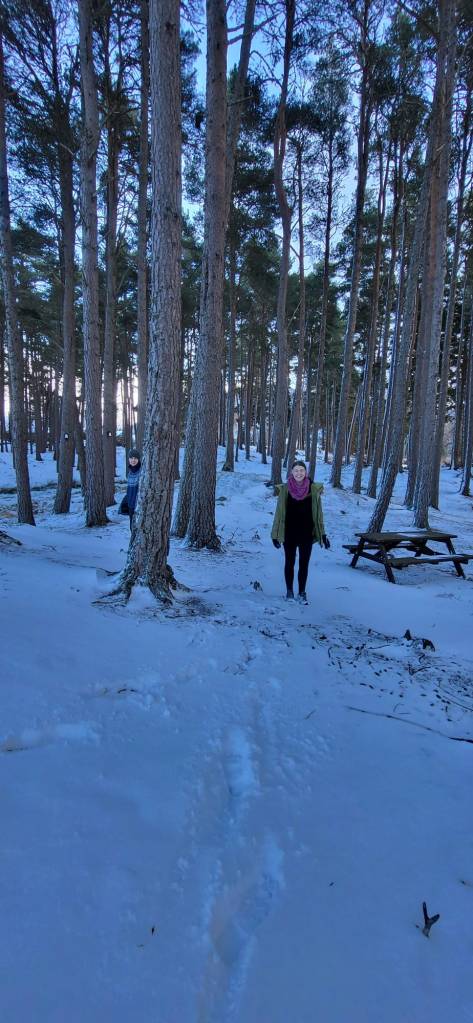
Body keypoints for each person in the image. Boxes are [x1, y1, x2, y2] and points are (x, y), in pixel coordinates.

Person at [271, 459, 330, 603]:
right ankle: (289, 592)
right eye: (296, 470)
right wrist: (275, 535)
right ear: (291, 472)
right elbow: (278, 514)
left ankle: (302, 592)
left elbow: (319, 514)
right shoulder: (285, 489)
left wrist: (323, 534)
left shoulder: (313, 489)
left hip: (306, 534)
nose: (299, 473)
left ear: (306, 472)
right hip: (289, 533)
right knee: (289, 562)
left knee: (304, 564)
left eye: (301, 470)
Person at [119, 448, 141, 529]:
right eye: (131, 458)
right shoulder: (130, 473)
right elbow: (129, 490)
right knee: (132, 528)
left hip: (139, 506)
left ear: (138, 459)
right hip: (131, 506)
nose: (133, 460)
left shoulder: (142, 471)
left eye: (135, 458)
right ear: (129, 459)